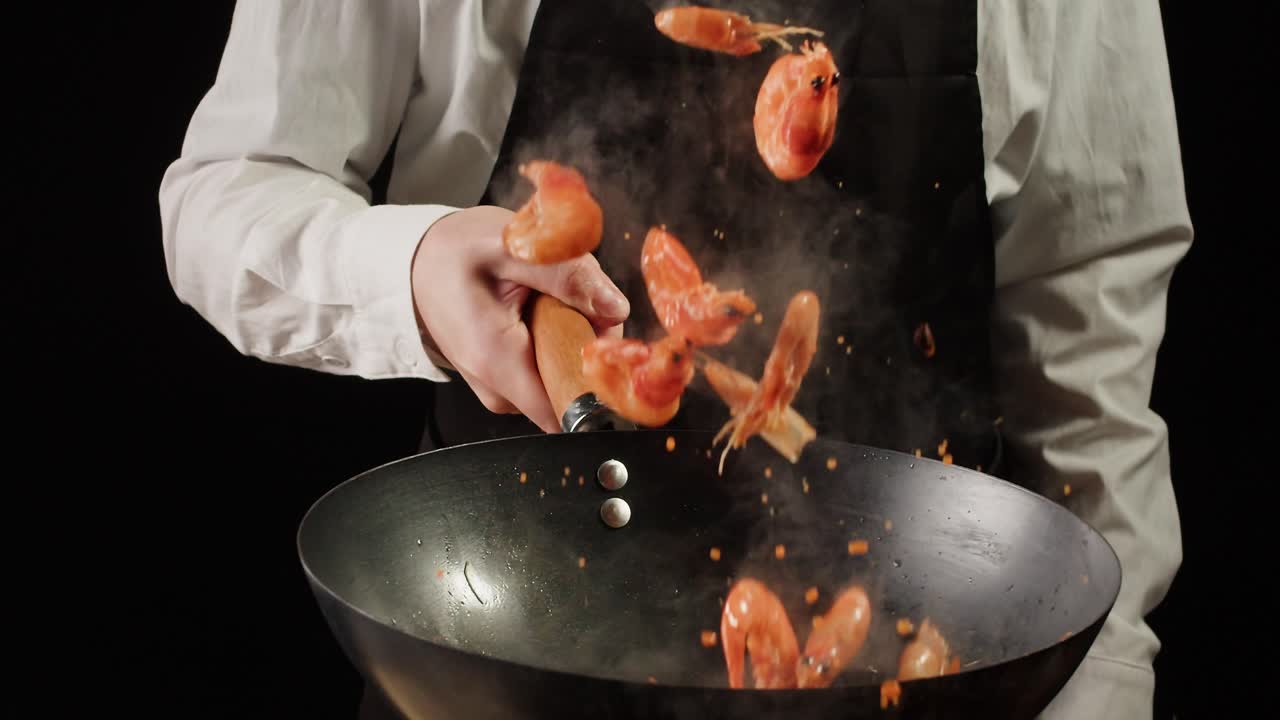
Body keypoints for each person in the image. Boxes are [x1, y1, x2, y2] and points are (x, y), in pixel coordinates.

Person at [158, 1, 1191, 718]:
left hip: (920, 649)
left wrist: (1093, 687)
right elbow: (228, 190)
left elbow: (1088, 331)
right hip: (500, 638)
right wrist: (412, 267)